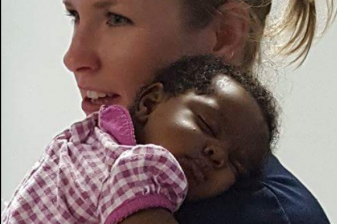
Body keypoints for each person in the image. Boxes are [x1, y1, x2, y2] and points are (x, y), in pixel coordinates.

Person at [2, 55, 279, 223]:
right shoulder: (143, 163)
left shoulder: (88, 140)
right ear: (149, 103)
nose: (217, 154)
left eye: (235, 164)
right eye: (207, 124)